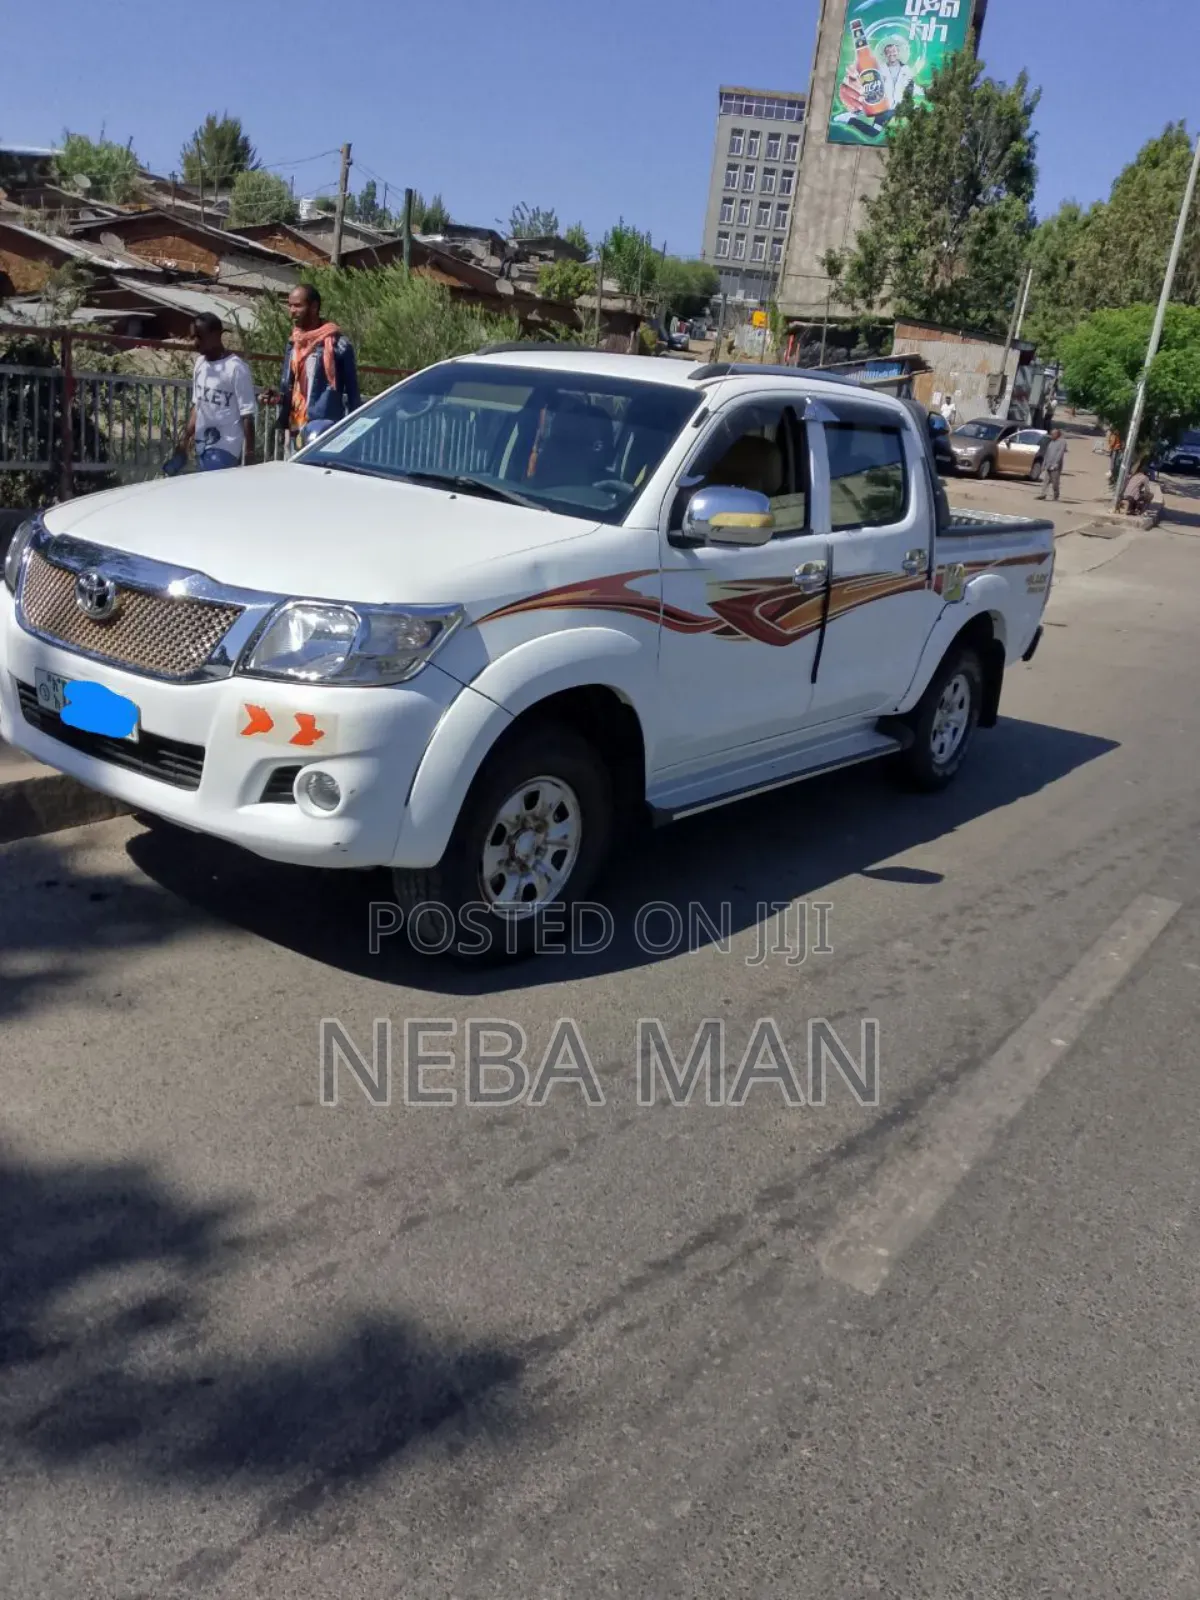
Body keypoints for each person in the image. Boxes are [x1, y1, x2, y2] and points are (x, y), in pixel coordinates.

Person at [277, 283, 360, 454]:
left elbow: (353, 393)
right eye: (290, 305)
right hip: (294, 426)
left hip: (322, 427)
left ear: (314, 307)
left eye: (298, 305)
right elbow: (290, 384)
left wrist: (353, 431)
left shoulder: (338, 345)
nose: (292, 310)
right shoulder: (294, 342)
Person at [172, 314, 256, 473]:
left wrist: (250, 454)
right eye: (193, 337)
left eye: (200, 337)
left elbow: (247, 415)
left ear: (216, 335)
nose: (195, 342)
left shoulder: (236, 368)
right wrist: (184, 441)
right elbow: (198, 406)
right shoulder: (200, 364)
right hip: (202, 447)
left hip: (226, 449)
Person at [1037, 428, 1067, 501]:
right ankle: (1043, 494)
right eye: (1051, 434)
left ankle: (1056, 495)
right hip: (1048, 464)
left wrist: (1055, 464)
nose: (1051, 435)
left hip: (1055, 466)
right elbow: (1047, 454)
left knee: (1055, 482)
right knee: (1046, 481)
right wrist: (1044, 465)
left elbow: (1060, 454)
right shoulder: (1051, 442)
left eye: (1053, 434)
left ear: (1057, 434)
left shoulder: (1062, 442)